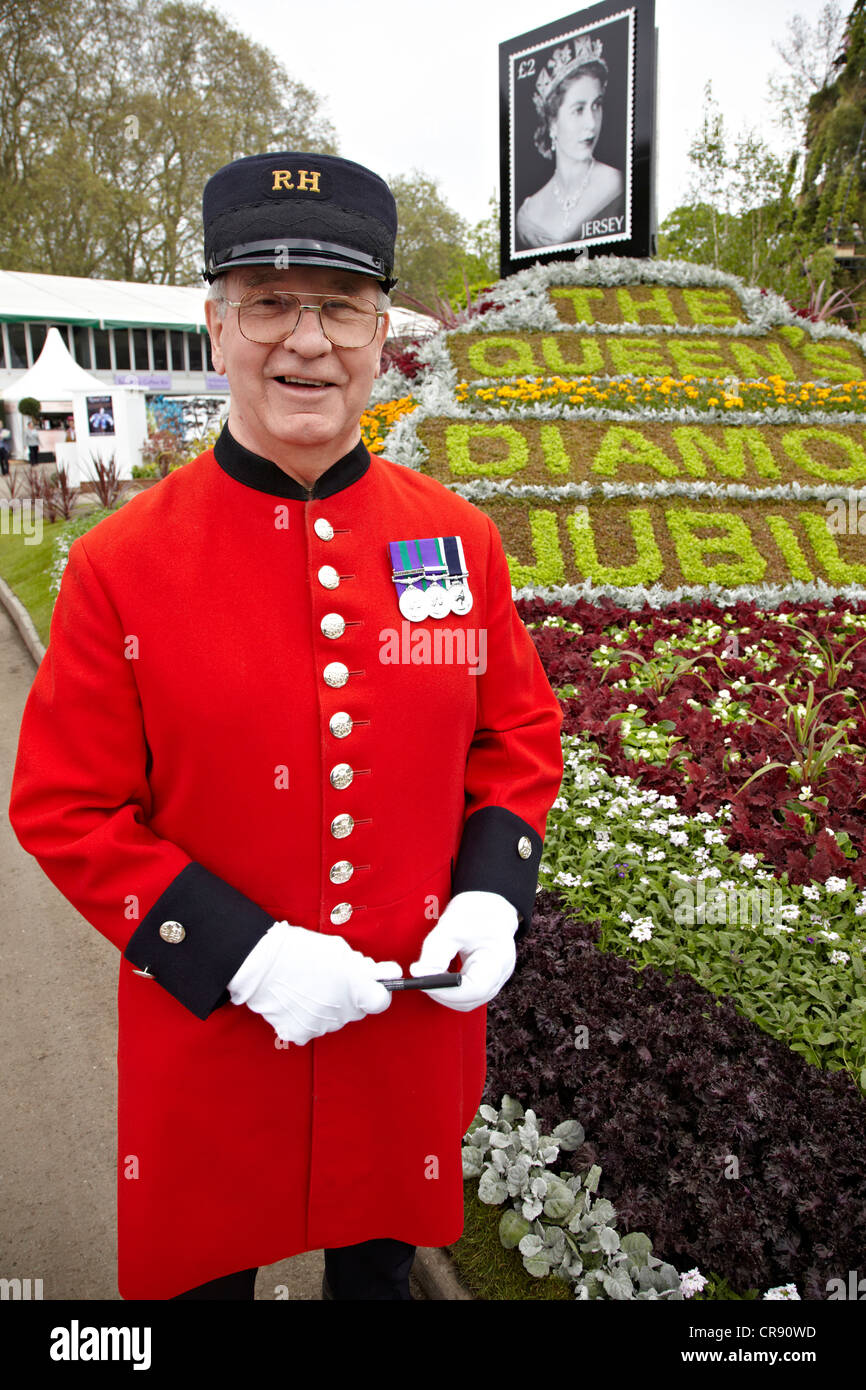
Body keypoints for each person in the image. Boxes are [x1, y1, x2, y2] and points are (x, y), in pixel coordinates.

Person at [8, 151, 564, 1301]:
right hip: (211, 1040)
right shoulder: (121, 565)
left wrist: (490, 892)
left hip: (401, 1036)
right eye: (269, 302)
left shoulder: (456, 542)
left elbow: (513, 735)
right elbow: (66, 805)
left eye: (341, 306)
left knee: (379, 1280)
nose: (306, 341)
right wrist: (243, 953)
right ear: (217, 326)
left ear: (379, 337)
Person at [516, 35, 625, 251]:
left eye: (597, 105)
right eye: (578, 110)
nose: (591, 124)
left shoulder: (618, 183)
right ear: (552, 123)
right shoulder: (529, 213)